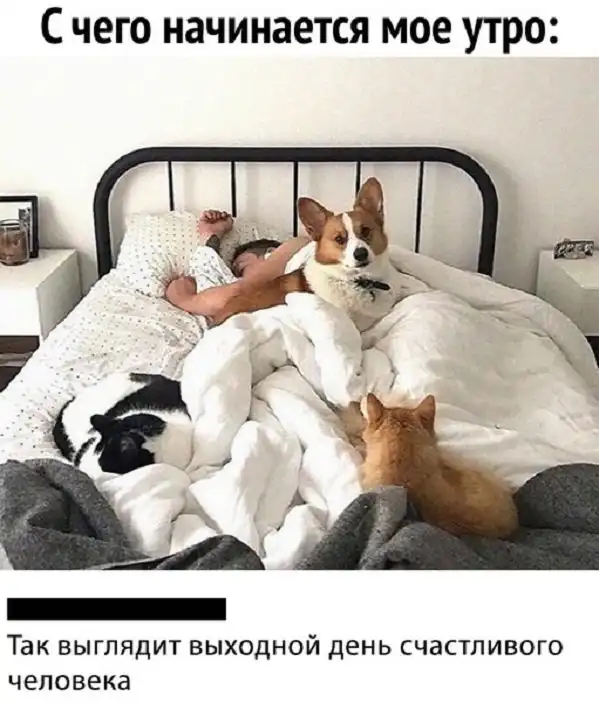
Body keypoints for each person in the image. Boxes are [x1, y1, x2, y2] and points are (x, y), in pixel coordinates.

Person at [165, 210, 310, 320]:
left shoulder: (300, 246)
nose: (236, 279)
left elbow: (238, 295)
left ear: (270, 253)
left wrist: (185, 300)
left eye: (242, 269)